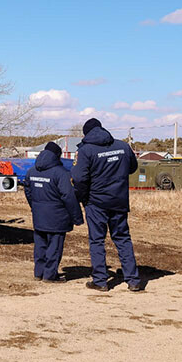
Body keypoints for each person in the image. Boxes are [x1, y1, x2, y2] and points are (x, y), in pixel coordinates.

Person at [72, 118, 142, 292]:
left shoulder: (86, 150)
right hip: (119, 201)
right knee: (123, 238)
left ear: (85, 133)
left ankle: (100, 281)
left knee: (97, 241)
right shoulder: (123, 146)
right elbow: (132, 167)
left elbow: (79, 178)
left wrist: (82, 197)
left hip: (96, 203)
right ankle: (133, 280)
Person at [24, 141, 83, 282]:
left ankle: (38, 273)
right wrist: (77, 217)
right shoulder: (61, 173)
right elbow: (68, 196)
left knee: (40, 246)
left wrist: (35, 207)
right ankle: (50, 276)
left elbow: (28, 191)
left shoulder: (31, 171)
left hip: (39, 216)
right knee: (54, 247)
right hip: (57, 217)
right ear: (57, 156)